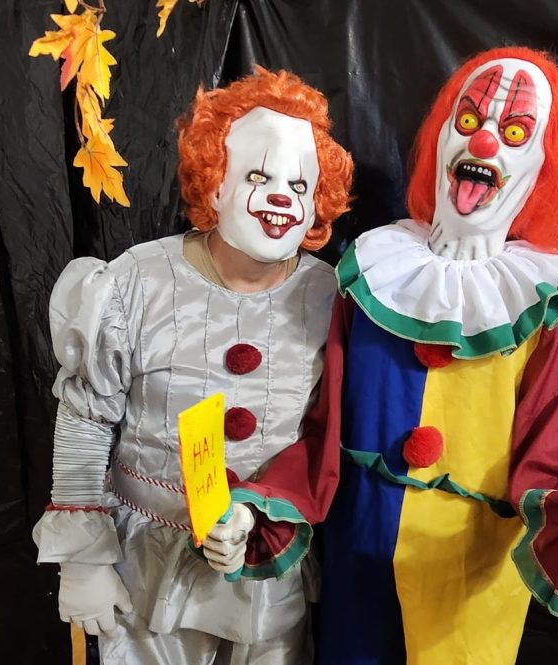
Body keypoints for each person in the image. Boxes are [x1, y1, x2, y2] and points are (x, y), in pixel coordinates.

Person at [318, 47, 558, 665]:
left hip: (471, 574)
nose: (483, 142)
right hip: (355, 558)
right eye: (468, 121)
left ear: (541, 166)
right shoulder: (374, 269)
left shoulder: (544, 302)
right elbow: (319, 419)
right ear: (441, 138)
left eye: (514, 133)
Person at [33, 67, 353, 664]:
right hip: (144, 567)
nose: (280, 197)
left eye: (299, 184)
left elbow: (326, 435)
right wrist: (83, 559)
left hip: (265, 568)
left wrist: (260, 511)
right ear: (215, 182)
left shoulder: (330, 297)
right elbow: (85, 417)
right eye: (257, 175)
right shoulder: (135, 280)